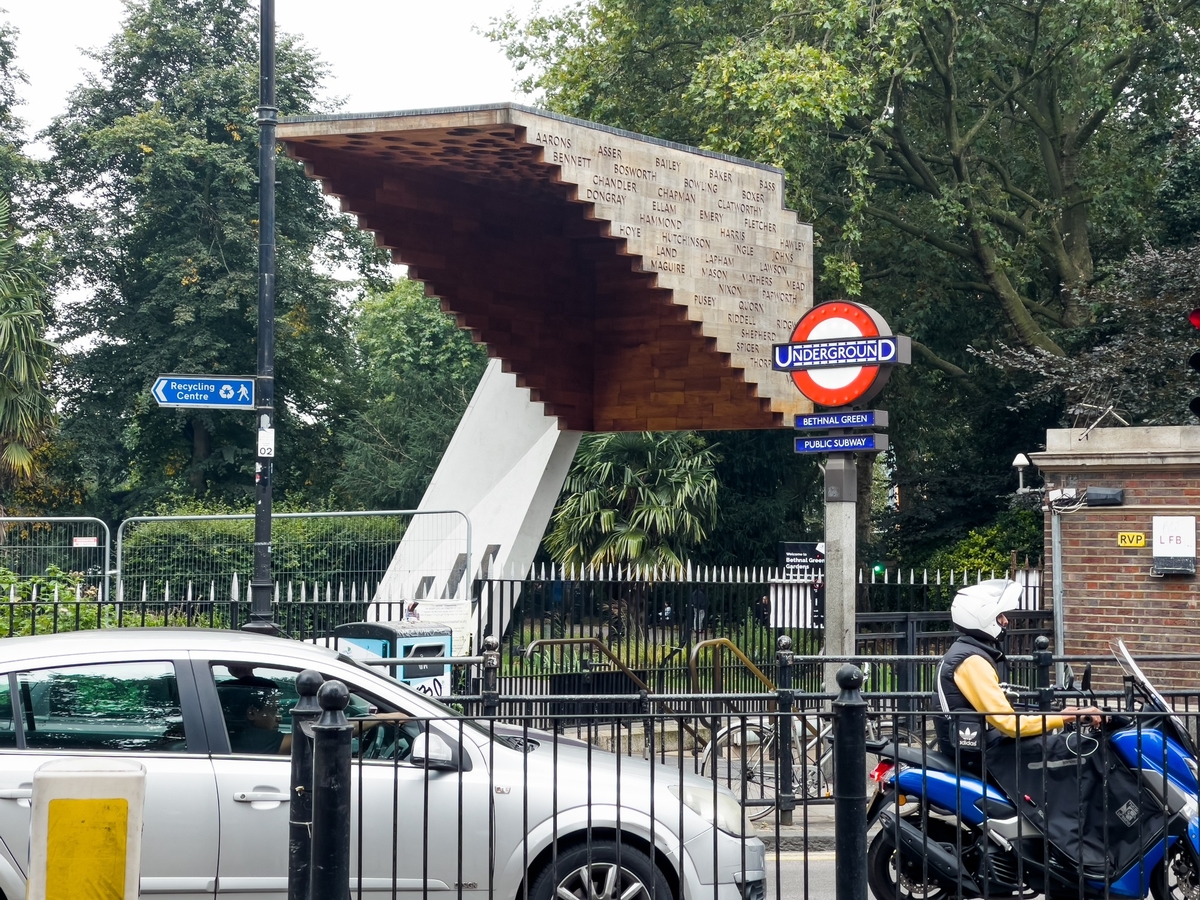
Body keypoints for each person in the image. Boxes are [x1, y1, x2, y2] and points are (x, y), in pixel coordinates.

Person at [935, 578, 1104, 770]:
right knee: (1065, 751)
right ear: (982, 617)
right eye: (1000, 616)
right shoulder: (972, 661)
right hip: (980, 754)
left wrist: (1068, 713)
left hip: (978, 746)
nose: (1005, 621)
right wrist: (1065, 717)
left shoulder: (966, 653)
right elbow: (1009, 723)